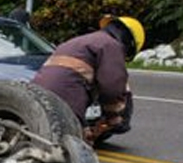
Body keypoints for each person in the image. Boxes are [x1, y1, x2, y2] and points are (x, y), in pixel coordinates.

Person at [32, 15, 144, 143]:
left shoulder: (79, 41)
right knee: (77, 147)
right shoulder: (111, 45)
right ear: (130, 43)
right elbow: (112, 86)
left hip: (36, 95)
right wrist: (114, 117)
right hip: (66, 101)